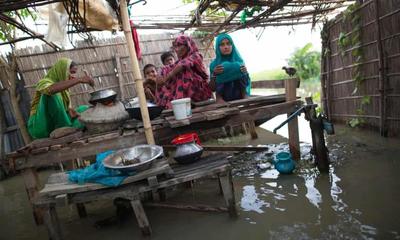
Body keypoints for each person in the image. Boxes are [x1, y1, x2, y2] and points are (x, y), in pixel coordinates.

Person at [28, 58, 94, 139]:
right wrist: (79, 79)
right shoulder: (44, 82)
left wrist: (71, 111)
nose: (73, 76)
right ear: (62, 70)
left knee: (85, 109)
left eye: (75, 74)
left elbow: (62, 110)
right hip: (40, 126)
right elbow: (50, 90)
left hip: (57, 124)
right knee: (52, 94)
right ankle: (66, 127)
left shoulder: (64, 90)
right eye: (72, 72)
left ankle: (67, 127)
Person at [155, 35, 212, 109]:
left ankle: (181, 100)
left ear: (188, 45)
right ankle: (171, 102)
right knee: (167, 73)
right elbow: (168, 67)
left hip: (200, 90)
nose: (176, 49)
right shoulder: (179, 60)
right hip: (186, 91)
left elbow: (182, 65)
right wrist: (160, 75)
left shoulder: (196, 55)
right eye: (175, 47)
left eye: (179, 46)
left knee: (184, 72)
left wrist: (165, 79)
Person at [209, 33, 251, 103]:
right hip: (222, 99)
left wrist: (245, 73)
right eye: (222, 44)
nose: (226, 47)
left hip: (240, 97)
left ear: (232, 45)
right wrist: (214, 74)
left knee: (237, 67)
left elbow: (246, 83)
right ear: (217, 47)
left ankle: (244, 97)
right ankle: (220, 99)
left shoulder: (239, 62)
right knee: (223, 68)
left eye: (228, 43)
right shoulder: (214, 65)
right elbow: (212, 89)